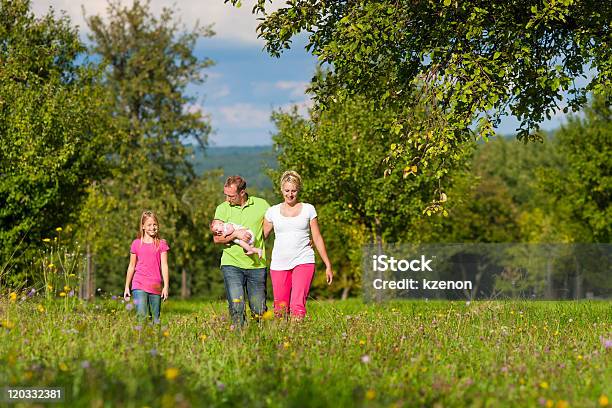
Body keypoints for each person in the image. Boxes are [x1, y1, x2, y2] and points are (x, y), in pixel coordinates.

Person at [263, 170, 333, 319]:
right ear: (281, 190)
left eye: (293, 191)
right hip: (279, 263)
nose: (290, 194)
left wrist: (327, 264)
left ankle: (297, 338)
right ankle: (283, 340)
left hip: (304, 260)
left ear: (298, 190)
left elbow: (317, 237)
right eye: (287, 190)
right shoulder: (272, 212)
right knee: (280, 309)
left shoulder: (308, 209)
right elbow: (261, 237)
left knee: (297, 305)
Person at [213, 176, 270, 326]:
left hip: (257, 265)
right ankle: (239, 341)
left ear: (242, 192)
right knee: (237, 307)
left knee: (259, 310)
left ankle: (260, 342)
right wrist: (236, 235)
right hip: (231, 264)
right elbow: (217, 239)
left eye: (231, 196)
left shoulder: (261, 204)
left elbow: (275, 223)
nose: (227, 199)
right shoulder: (222, 208)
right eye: (225, 194)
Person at [123, 211, 169, 323]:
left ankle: (154, 340)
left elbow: (164, 266)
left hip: (155, 286)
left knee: (155, 319)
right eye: (149, 225)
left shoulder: (161, 244)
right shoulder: (136, 244)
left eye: (154, 224)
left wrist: (166, 286)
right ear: (143, 226)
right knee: (142, 315)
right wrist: (126, 286)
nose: (152, 227)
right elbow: (131, 266)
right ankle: (141, 339)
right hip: (139, 284)